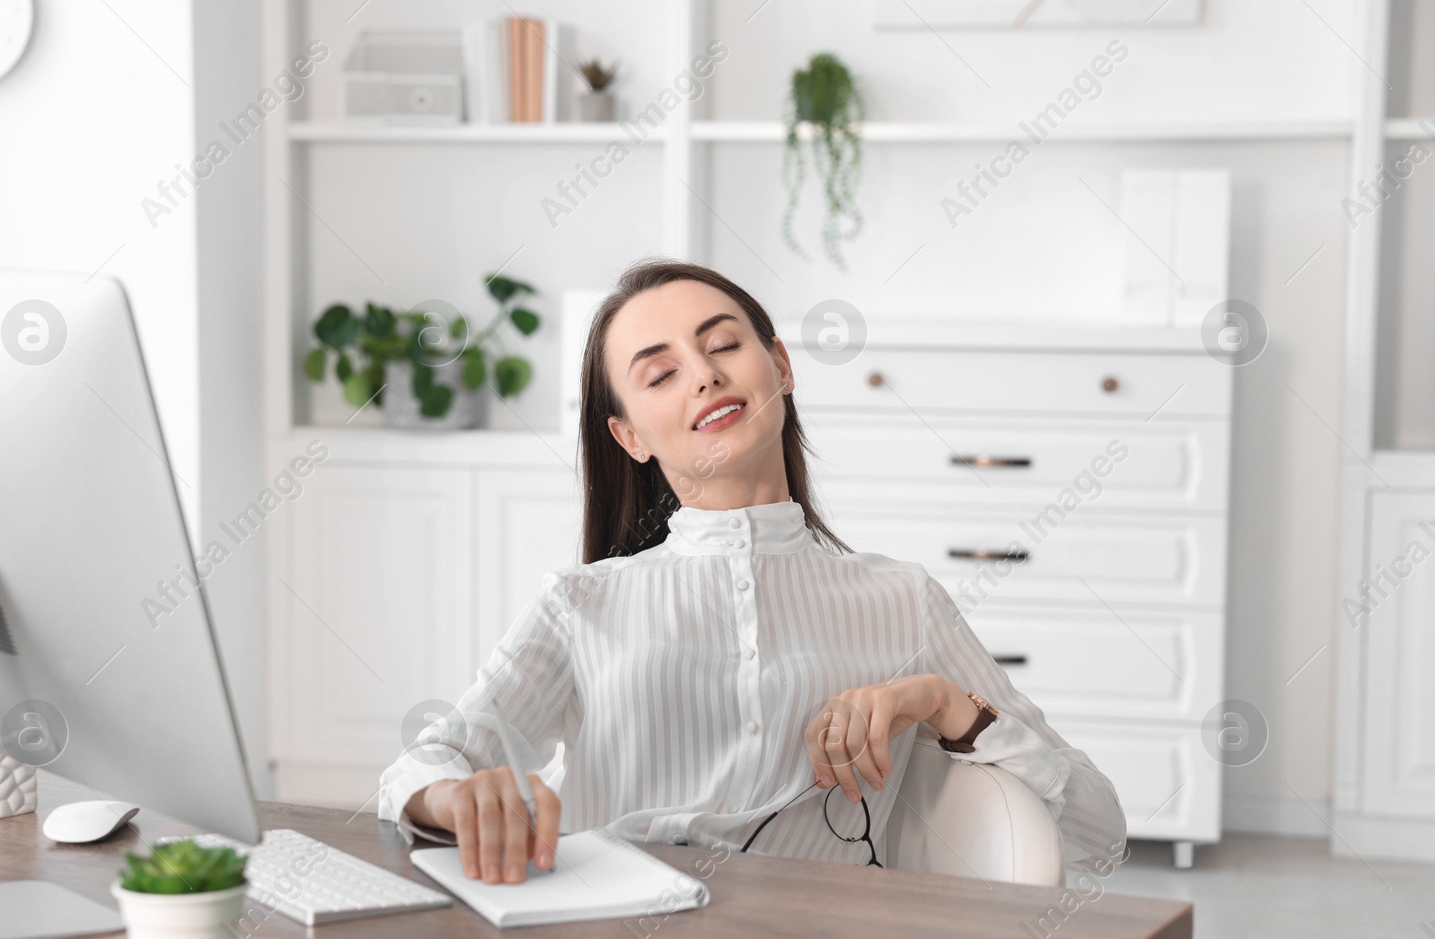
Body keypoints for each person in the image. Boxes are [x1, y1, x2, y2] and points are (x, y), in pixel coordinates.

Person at [379, 260, 1126, 886]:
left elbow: (1100, 828)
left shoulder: (903, 600)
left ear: (780, 365)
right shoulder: (582, 604)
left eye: (723, 345)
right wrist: (450, 798)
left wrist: (942, 702)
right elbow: (422, 764)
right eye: (662, 372)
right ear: (629, 435)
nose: (703, 375)